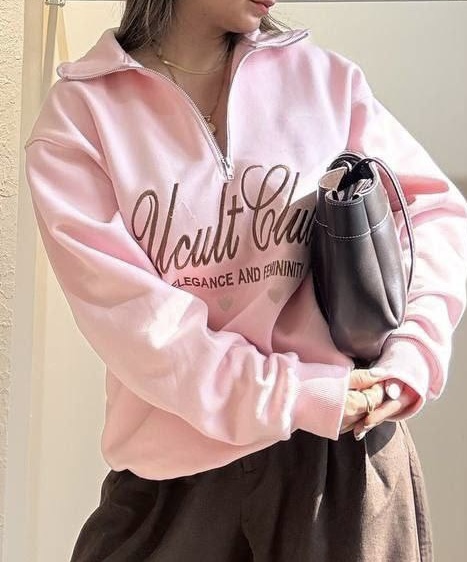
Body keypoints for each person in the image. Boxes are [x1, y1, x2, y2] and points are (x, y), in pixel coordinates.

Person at [25, 1, 467, 560]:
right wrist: (291, 394)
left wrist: (412, 352)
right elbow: (140, 327)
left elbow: (432, 213)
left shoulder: (323, 82)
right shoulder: (80, 121)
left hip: (340, 469)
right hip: (175, 488)